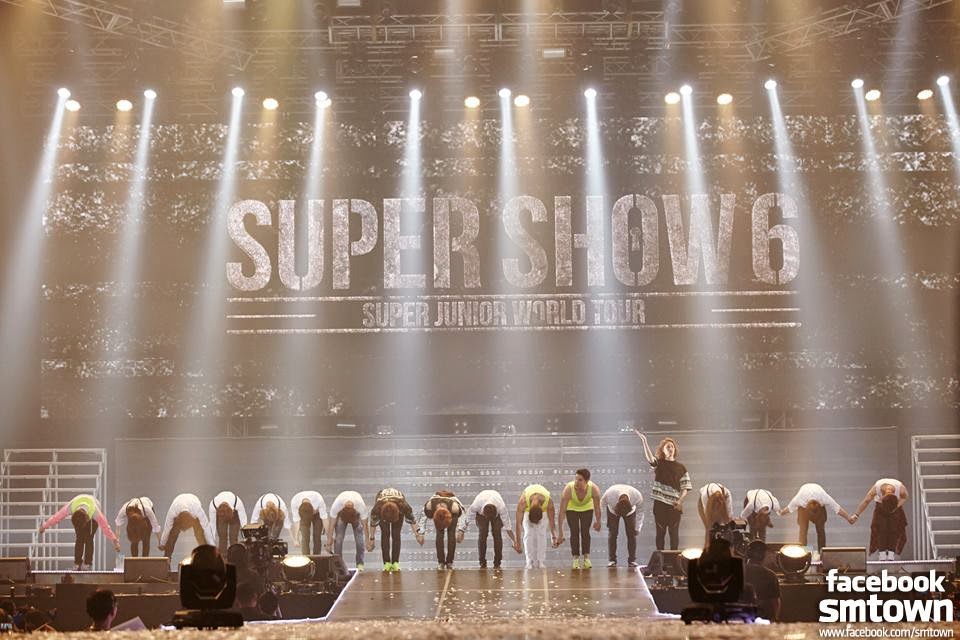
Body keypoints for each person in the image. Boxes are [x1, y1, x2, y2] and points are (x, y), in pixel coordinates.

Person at [635, 431, 692, 550]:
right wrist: (644, 441)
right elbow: (650, 458)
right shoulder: (659, 464)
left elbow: (685, 488)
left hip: (674, 505)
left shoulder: (681, 468)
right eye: (668, 447)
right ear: (663, 450)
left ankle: (674, 558)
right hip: (660, 503)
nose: (670, 449)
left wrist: (680, 501)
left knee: (674, 534)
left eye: (672, 447)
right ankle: (660, 558)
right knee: (660, 533)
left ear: (675, 450)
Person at [38, 494, 121, 570]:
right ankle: (77, 563)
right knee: (79, 538)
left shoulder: (95, 512)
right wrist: (44, 526)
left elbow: (105, 527)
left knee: (89, 538)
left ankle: (87, 563)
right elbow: (56, 517)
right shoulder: (70, 507)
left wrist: (115, 541)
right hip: (79, 508)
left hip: (92, 514)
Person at [777, 483, 855, 554]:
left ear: (820, 506)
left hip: (818, 508)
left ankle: (822, 552)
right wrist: (781, 512)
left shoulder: (823, 497)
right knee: (803, 530)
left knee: (821, 530)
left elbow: (837, 508)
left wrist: (849, 518)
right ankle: (803, 552)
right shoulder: (800, 499)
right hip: (804, 510)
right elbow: (789, 508)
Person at [457, 489, 518, 569]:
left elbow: (508, 527)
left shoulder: (501, 507)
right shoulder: (476, 505)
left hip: (496, 512)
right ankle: (482, 562)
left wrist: (514, 541)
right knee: (482, 534)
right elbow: (467, 518)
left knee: (497, 534)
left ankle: (497, 562)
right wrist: (461, 530)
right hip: (481, 513)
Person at [851, 478, 909, 560]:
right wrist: (856, 514)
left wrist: (896, 507)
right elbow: (866, 501)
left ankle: (891, 553)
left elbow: (904, 497)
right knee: (880, 529)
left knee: (894, 529)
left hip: (894, 506)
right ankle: (882, 553)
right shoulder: (876, 488)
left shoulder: (901, 488)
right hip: (881, 507)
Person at [367, 488, 423, 572]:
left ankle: (395, 562)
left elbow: (413, 521)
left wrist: (418, 534)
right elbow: (373, 524)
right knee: (385, 533)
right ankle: (387, 563)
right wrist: (371, 539)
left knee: (396, 534)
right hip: (383, 509)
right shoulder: (377, 509)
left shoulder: (404, 506)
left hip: (398, 507)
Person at [557, 469, 602, 569]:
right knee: (574, 532)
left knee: (585, 532)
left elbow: (598, 508)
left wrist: (598, 521)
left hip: (587, 508)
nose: (576, 482)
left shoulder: (594, 489)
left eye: (580, 480)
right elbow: (561, 512)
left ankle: (586, 558)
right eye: (576, 479)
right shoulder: (568, 489)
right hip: (571, 508)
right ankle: (575, 559)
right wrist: (560, 533)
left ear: (587, 481)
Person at [599, 483, 644, 567]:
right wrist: (598, 521)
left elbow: (640, 512)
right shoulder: (609, 494)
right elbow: (601, 505)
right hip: (613, 511)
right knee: (612, 534)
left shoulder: (637, 496)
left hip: (630, 513)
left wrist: (637, 528)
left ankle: (632, 560)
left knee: (632, 534)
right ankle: (612, 560)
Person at [514, 484, 557, 569]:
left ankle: (541, 561)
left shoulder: (549, 502)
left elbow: (552, 521)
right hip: (528, 510)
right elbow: (518, 523)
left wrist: (554, 537)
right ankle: (529, 561)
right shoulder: (523, 502)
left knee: (541, 534)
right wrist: (518, 543)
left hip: (543, 511)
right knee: (528, 533)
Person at [419, 490, 466, 570]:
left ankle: (449, 562)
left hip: (452, 510)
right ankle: (441, 562)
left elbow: (463, 516)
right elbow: (422, 518)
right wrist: (421, 533)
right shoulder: (429, 506)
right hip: (437, 509)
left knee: (451, 534)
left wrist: (461, 531)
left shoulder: (455, 508)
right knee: (439, 534)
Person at [159, 493, 216, 558]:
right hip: (178, 502)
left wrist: (213, 547)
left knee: (199, 535)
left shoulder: (197, 510)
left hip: (193, 502)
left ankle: (205, 557)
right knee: (172, 534)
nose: (185, 531)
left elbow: (206, 528)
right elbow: (167, 528)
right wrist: (162, 543)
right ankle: (167, 558)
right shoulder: (173, 512)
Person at [326, 490, 369, 570]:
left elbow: (365, 525)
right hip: (342, 514)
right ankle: (338, 565)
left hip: (355, 514)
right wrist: (329, 542)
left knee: (359, 540)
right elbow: (332, 524)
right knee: (338, 539)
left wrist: (367, 541)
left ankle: (360, 564)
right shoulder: (337, 506)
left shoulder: (360, 506)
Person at [742, 540, 781, 622]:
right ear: (763, 555)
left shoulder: (739, 571)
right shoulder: (770, 575)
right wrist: (775, 619)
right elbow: (775, 602)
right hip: (763, 617)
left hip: (742, 616)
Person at [208, 491, 248, 556]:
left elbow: (244, 521)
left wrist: (245, 538)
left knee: (233, 537)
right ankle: (222, 556)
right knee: (222, 536)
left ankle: (234, 555)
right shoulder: (213, 506)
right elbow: (212, 525)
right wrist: (211, 545)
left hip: (234, 515)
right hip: (221, 514)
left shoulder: (237, 503)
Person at [290, 490, 329, 556]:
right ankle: (306, 557)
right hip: (303, 516)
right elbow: (296, 522)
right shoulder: (294, 502)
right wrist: (296, 539)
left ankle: (317, 557)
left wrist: (329, 538)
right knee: (305, 536)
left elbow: (325, 519)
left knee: (317, 536)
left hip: (317, 514)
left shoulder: (318, 499)